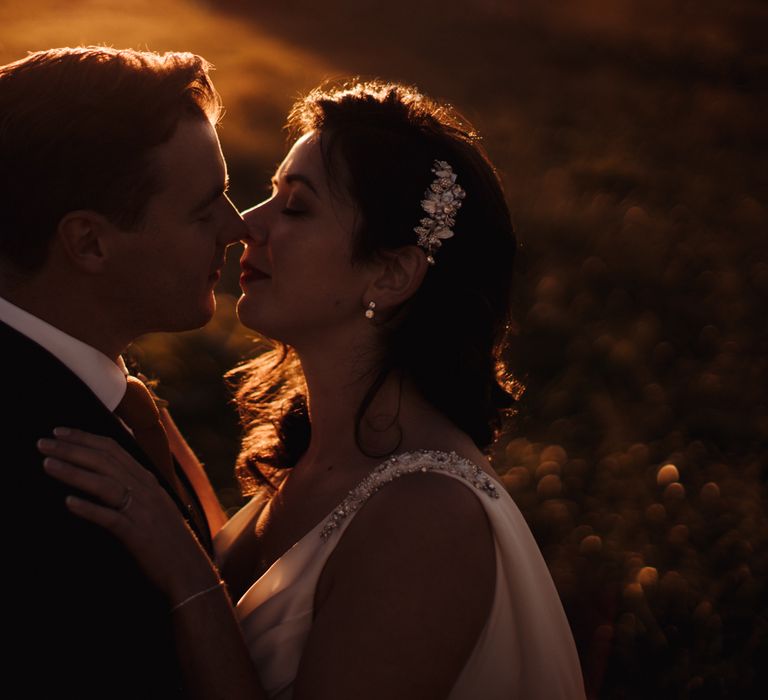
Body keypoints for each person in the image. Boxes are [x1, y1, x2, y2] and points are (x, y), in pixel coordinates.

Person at [39, 81, 586, 699]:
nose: (247, 225)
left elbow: (207, 601)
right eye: (270, 195)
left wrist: (189, 578)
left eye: (295, 208)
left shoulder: (428, 520)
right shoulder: (317, 457)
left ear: (391, 272)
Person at [1, 47, 245, 697]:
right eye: (203, 209)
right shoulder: (48, 479)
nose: (236, 227)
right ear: (89, 242)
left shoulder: (103, 402)